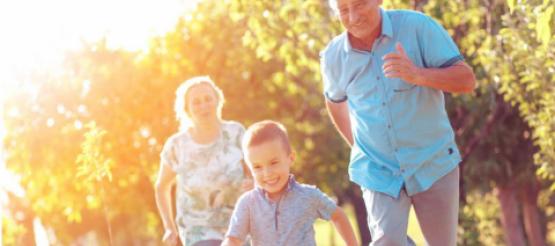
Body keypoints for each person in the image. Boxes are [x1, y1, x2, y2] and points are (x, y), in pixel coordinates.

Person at [320, 0, 476, 245]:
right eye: (343, 10)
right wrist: (358, 145)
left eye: (359, 5)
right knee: (388, 241)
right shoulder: (333, 56)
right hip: (377, 169)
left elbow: (466, 80)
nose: (352, 16)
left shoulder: (417, 27)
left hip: (432, 162)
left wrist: (418, 74)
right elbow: (334, 101)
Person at [222, 120, 359, 246]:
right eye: (257, 167)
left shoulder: (308, 196)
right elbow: (233, 239)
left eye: (273, 163)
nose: (267, 173)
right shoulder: (248, 203)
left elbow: (338, 216)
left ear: (291, 158)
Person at [154, 76, 252, 246]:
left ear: (218, 101)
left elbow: (254, 170)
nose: (204, 106)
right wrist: (169, 227)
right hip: (198, 229)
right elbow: (162, 186)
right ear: (187, 109)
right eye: (196, 102)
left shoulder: (236, 133)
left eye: (208, 99)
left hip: (239, 224)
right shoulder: (177, 146)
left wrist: (253, 183)